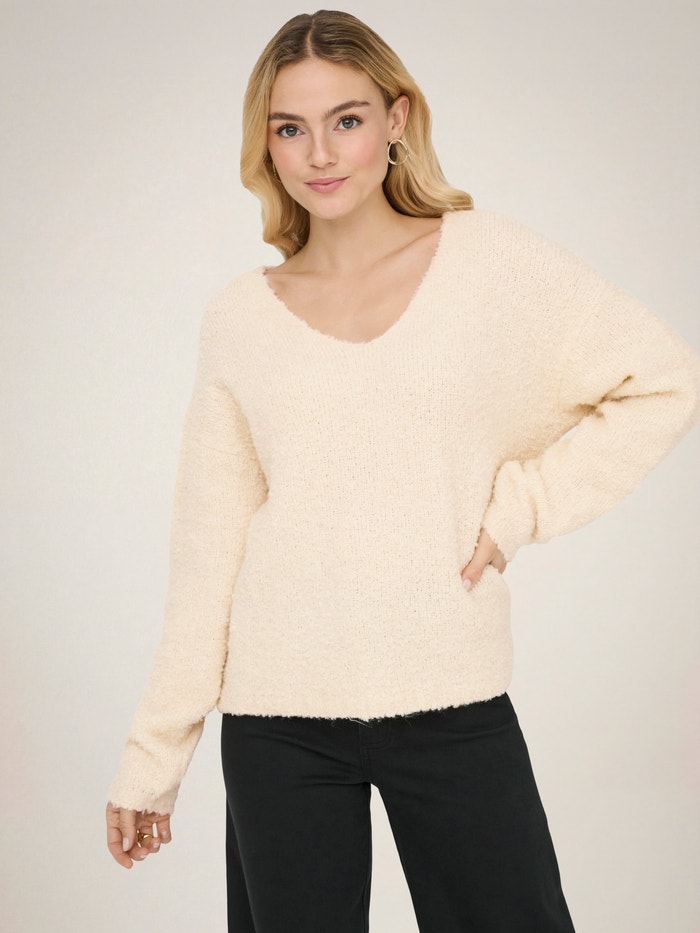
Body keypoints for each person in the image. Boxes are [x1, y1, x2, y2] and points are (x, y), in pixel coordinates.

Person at [105, 9, 700, 932]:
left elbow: (662, 379)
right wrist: (153, 760)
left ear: (396, 118)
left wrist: (517, 510)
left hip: (449, 694)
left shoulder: (488, 261)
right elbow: (208, 552)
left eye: (345, 119)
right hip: (277, 717)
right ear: (265, 144)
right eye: (289, 127)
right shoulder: (240, 317)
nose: (319, 153)